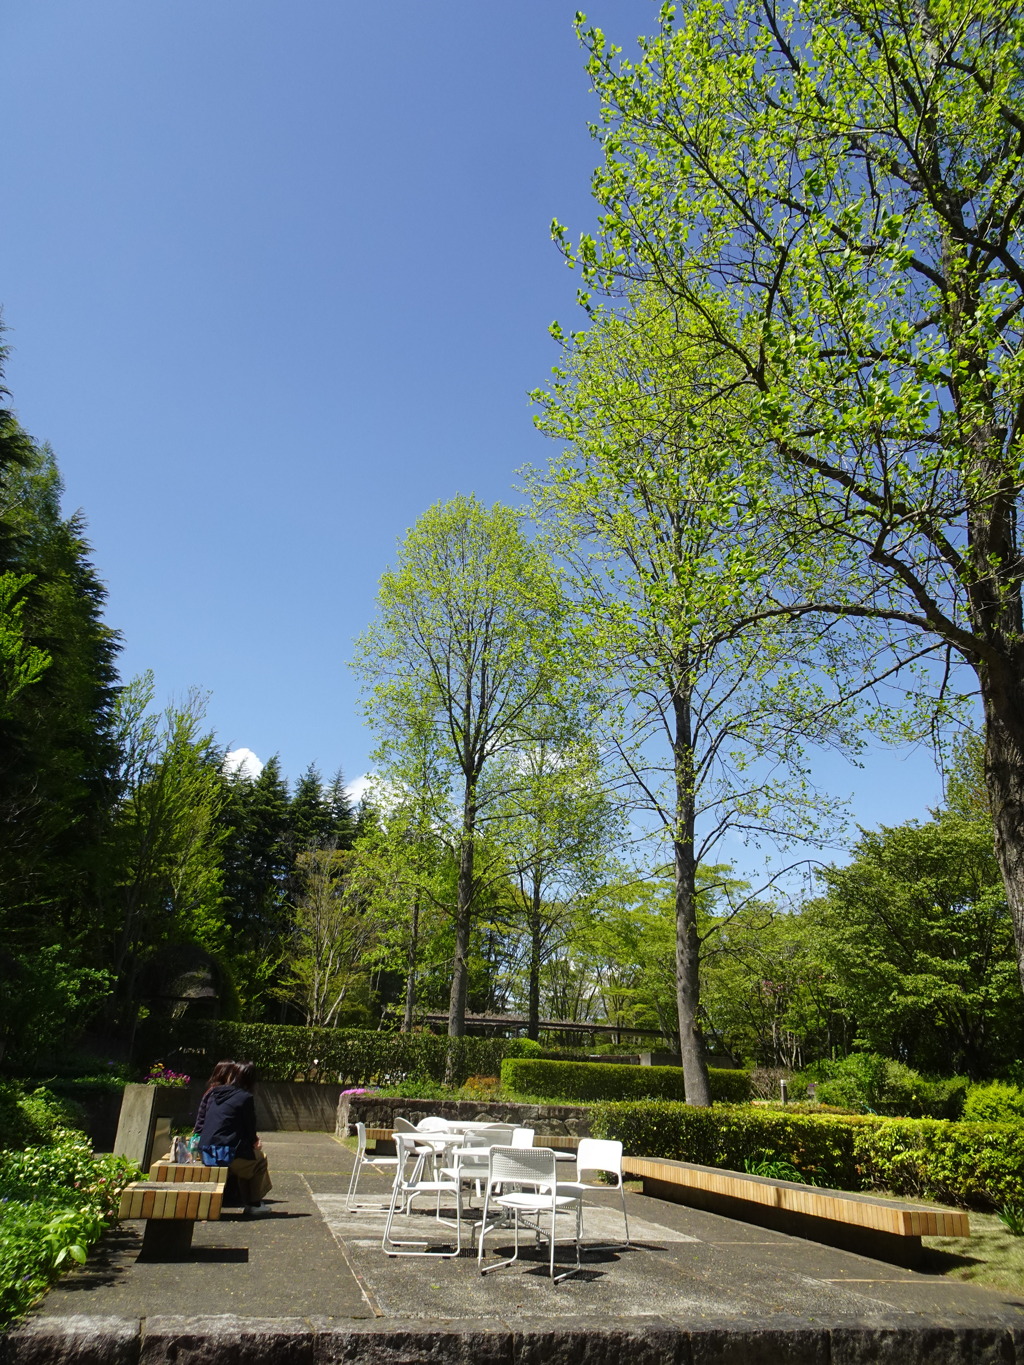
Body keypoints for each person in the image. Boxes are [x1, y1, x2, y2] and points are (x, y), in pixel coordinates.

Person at [198, 1059, 273, 1216]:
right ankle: (254, 1204)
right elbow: (249, 1127)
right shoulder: (245, 1097)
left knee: (248, 1159)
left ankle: (253, 1202)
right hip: (224, 1153)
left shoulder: (213, 1092)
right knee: (259, 1160)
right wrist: (254, 1142)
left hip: (205, 1151)